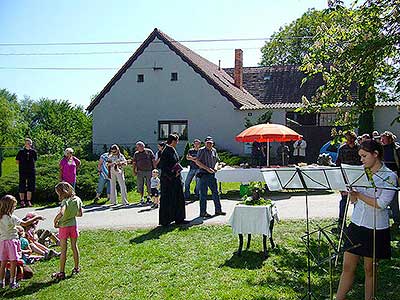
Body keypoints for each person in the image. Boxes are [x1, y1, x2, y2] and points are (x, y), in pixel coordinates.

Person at [336, 140, 397, 300]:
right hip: (356, 224)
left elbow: (382, 204)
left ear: (375, 154)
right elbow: (355, 200)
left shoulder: (389, 176)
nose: (361, 159)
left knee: (370, 269)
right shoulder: (362, 172)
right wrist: (350, 193)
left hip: (376, 228)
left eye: (364, 156)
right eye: (360, 156)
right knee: (347, 267)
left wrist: (360, 195)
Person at [0, 195, 44, 288]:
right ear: (10, 206)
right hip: (12, 242)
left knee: (3, 263)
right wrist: (36, 217)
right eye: (14, 206)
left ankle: (1, 282)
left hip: (2, 242)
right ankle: (12, 282)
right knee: (13, 262)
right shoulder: (11, 217)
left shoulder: (0, 217)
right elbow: (24, 223)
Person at [51, 182, 83, 281]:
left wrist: (55, 221)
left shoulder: (65, 201)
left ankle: (61, 272)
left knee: (63, 249)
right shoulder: (77, 199)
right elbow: (80, 214)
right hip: (73, 225)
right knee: (74, 247)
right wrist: (71, 215)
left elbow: (61, 213)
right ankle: (77, 268)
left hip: (64, 227)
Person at [335, 131, 362, 232]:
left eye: (349, 138)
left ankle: (356, 222)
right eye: (346, 138)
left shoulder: (359, 148)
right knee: (344, 200)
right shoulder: (342, 148)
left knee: (357, 200)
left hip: (357, 177)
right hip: (345, 177)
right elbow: (338, 163)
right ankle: (341, 222)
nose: (347, 141)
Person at [158, 134, 186, 226]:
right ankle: (165, 220)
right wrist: (173, 173)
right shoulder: (165, 151)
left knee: (178, 198)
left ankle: (179, 218)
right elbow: (164, 167)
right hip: (168, 180)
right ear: (173, 141)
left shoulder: (172, 150)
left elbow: (175, 162)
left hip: (175, 179)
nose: (177, 143)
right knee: (167, 199)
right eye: (177, 141)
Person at [195, 136, 226, 218]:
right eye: (208, 143)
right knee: (203, 194)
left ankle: (218, 210)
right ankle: (203, 212)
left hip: (212, 175)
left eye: (211, 143)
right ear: (205, 143)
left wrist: (215, 167)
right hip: (204, 174)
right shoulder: (201, 150)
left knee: (215, 193)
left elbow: (217, 161)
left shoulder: (214, 150)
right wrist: (207, 169)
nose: (209, 144)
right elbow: (197, 162)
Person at [380, 131, 400, 228]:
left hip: (393, 175)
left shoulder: (396, 149)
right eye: (381, 139)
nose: (381, 140)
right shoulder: (380, 149)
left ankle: (396, 221)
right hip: (382, 176)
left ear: (389, 139)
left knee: (394, 199)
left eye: (383, 139)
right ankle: (384, 220)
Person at [16, 138, 38, 207]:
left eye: (29, 143)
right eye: (26, 143)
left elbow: (35, 160)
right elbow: (17, 161)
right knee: (22, 185)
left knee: (30, 185)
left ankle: (29, 201)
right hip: (23, 171)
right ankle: (22, 201)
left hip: (31, 171)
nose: (28, 144)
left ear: (31, 144)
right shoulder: (21, 151)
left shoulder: (33, 152)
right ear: (25, 144)